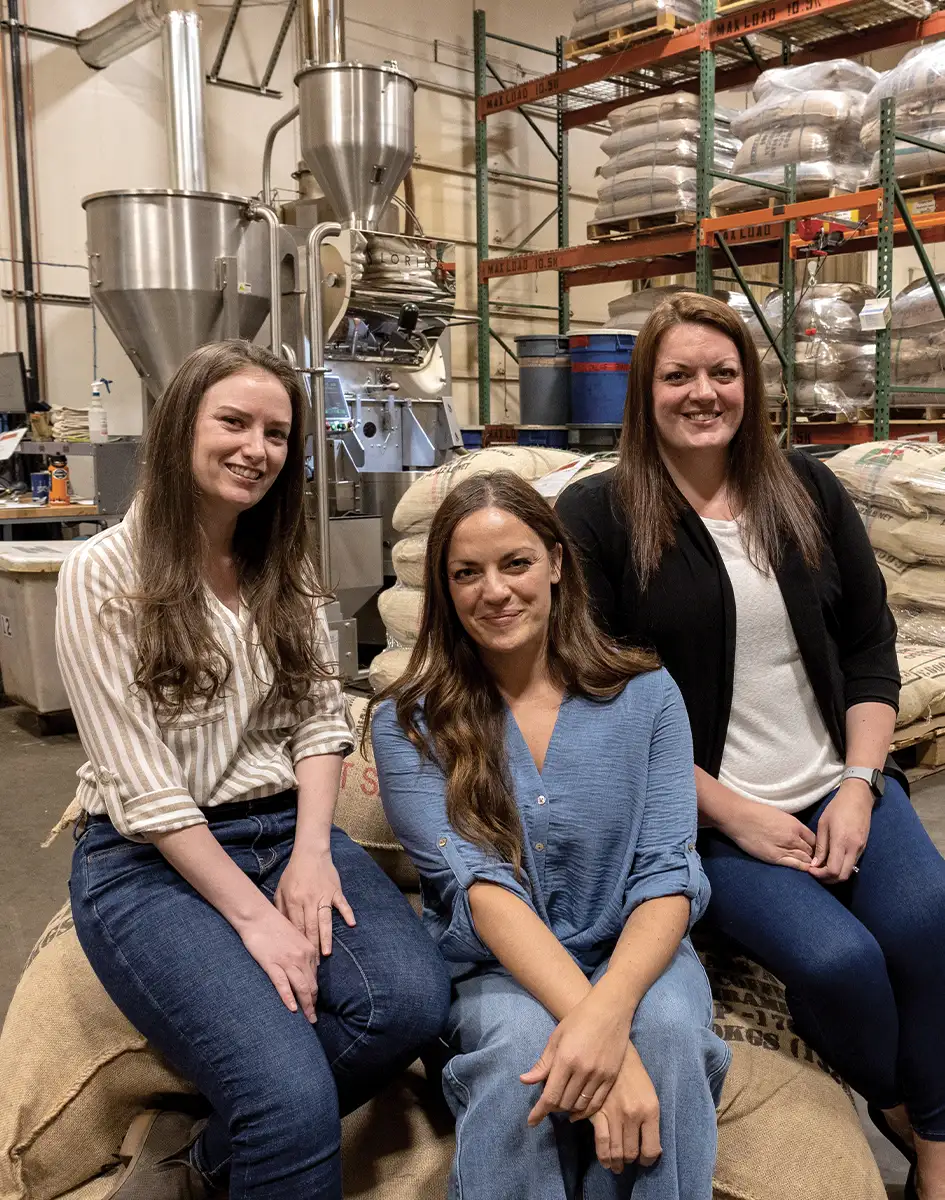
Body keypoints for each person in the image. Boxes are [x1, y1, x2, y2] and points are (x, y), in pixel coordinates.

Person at [556, 291, 945, 1200]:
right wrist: (736, 813)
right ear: (644, 391)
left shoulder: (804, 488)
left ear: (750, 385)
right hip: (708, 814)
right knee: (835, 962)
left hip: (836, 777)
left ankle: (933, 1146)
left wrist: (857, 783)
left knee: (928, 924)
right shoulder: (600, 515)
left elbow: (867, 650)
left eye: (721, 373)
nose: (703, 393)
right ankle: (898, 1098)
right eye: (678, 375)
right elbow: (596, 698)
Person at [56, 340, 450, 1200]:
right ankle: (275, 1119)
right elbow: (144, 784)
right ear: (178, 429)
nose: (256, 448)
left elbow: (318, 719)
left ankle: (209, 1157)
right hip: (147, 862)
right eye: (232, 422)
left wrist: (313, 853)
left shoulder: (285, 564)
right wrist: (254, 920)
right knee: (289, 1092)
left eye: (276, 432)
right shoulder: (101, 573)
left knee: (410, 1009)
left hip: (280, 827)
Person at [369, 469, 730, 1200]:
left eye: (515, 564)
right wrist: (604, 1046)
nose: (494, 591)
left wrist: (610, 1018)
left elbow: (666, 875)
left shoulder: (647, 696)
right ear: (442, 588)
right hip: (497, 969)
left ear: (557, 564)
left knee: (663, 1036)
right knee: (520, 1050)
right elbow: (480, 890)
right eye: (466, 573)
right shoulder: (407, 721)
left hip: (637, 955)